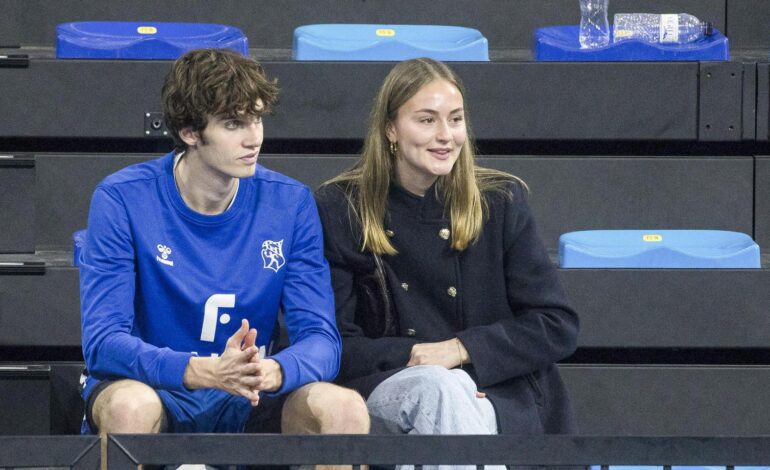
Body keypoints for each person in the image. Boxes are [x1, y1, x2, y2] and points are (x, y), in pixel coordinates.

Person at [78, 48, 369, 452]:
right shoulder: (122, 199)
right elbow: (103, 342)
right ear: (190, 132)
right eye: (234, 124)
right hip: (155, 388)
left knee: (345, 409)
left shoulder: (290, 203)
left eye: (258, 119)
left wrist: (274, 371)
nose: (254, 138)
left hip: (250, 395)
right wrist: (200, 370)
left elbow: (322, 338)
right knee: (129, 406)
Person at [314, 58, 579, 450]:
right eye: (426, 120)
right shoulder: (342, 206)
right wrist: (423, 358)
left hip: (496, 393)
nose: (445, 136)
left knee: (450, 394)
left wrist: (460, 350)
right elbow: (335, 343)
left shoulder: (500, 202)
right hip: (390, 389)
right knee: (440, 388)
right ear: (390, 129)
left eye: (455, 120)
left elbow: (556, 324)